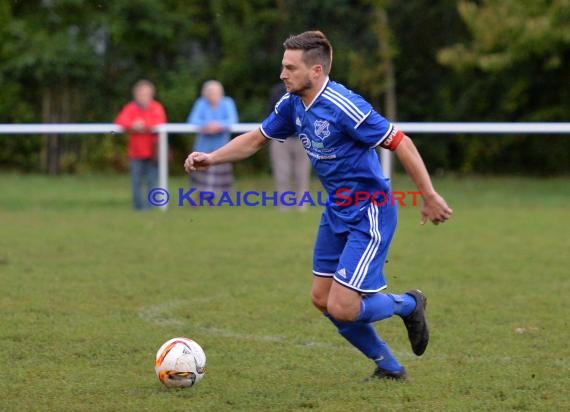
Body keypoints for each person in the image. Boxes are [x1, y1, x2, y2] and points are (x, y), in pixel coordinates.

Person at [184, 31, 453, 380]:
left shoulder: (344, 104)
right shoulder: (292, 103)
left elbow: (401, 142)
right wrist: (212, 158)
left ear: (315, 71)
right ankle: (389, 367)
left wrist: (428, 194)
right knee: (322, 299)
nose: (282, 74)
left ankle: (408, 304)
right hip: (336, 210)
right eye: (283, 67)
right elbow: (256, 139)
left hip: (369, 211)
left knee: (343, 307)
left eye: (289, 68)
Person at [115, 79, 166, 210]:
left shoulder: (157, 107)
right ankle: (137, 207)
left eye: (146, 94)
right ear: (135, 95)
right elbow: (121, 121)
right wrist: (133, 125)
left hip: (153, 152)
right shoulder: (130, 108)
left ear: (151, 95)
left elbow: (159, 122)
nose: (143, 97)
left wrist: (141, 125)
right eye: (140, 94)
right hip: (135, 152)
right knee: (136, 181)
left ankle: (149, 207)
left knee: (152, 181)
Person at [187, 80, 238, 195]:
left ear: (221, 93)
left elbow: (232, 120)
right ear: (204, 93)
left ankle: (216, 200)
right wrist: (205, 126)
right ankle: (198, 198)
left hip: (222, 147)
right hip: (202, 147)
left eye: (214, 92)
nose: (211, 95)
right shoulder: (201, 103)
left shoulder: (227, 103)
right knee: (200, 174)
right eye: (209, 92)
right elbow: (192, 120)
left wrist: (218, 126)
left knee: (220, 174)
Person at [267, 82, 312, 211]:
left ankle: (301, 206)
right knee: (282, 173)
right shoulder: (277, 92)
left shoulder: (307, 91)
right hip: (281, 139)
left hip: (303, 139)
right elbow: (270, 115)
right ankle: (284, 206)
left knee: (302, 174)